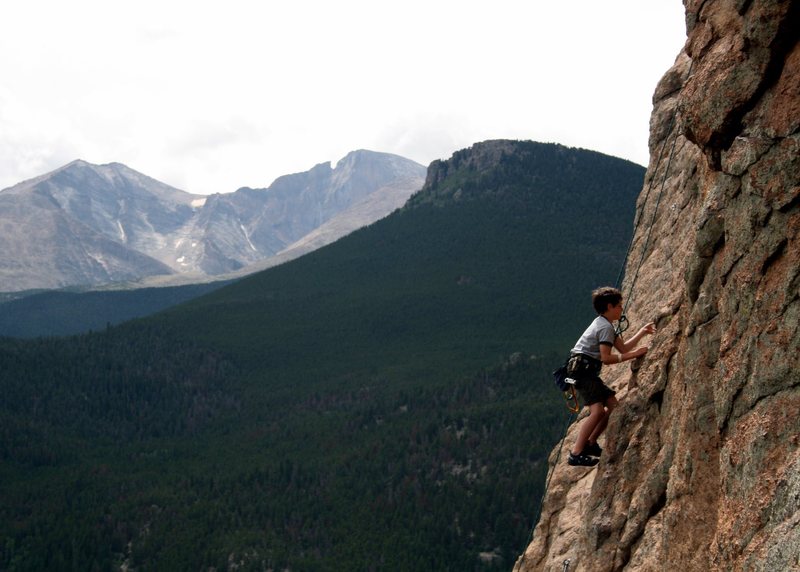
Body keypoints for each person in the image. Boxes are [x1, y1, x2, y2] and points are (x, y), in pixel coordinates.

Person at [566, 287, 656, 467]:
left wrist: (642, 332)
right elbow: (607, 358)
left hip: (584, 371)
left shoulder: (604, 324)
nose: (622, 309)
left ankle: (590, 443)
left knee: (614, 406)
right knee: (598, 411)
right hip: (582, 372)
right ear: (609, 306)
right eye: (619, 306)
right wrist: (636, 355)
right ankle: (576, 453)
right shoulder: (605, 327)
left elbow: (623, 349)